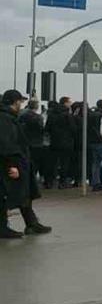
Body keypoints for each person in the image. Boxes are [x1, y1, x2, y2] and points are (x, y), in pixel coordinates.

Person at [0, 89, 52, 238]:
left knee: (24, 194)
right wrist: (12, 165)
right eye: (20, 101)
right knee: (6, 196)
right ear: (15, 102)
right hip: (10, 164)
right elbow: (6, 144)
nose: (21, 104)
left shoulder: (11, 117)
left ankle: (31, 223)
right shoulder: (5, 118)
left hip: (20, 161)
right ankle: (3, 228)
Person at [46, 96, 74, 188]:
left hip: (54, 141)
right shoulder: (67, 115)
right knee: (64, 163)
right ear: (65, 103)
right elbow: (73, 128)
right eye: (69, 102)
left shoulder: (51, 114)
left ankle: (49, 182)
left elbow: (47, 128)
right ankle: (62, 182)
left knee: (52, 163)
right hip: (67, 142)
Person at [18, 101, 47, 188]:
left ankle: (25, 180)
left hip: (25, 142)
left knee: (26, 162)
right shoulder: (38, 117)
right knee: (35, 163)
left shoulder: (22, 116)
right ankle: (32, 180)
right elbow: (41, 129)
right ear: (36, 107)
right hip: (37, 143)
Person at [87, 100, 102, 191]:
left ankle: (96, 183)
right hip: (101, 141)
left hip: (92, 141)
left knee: (95, 163)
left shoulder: (90, 115)